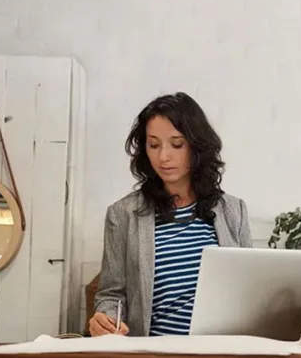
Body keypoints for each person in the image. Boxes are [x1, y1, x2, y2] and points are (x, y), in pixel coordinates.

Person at [89, 93, 252, 337]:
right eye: (153, 145)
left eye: (177, 144)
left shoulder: (233, 211)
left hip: (218, 355)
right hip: (153, 357)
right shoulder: (123, 215)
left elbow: (249, 290)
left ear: (197, 146)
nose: (163, 156)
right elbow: (111, 295)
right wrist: (107, 320)